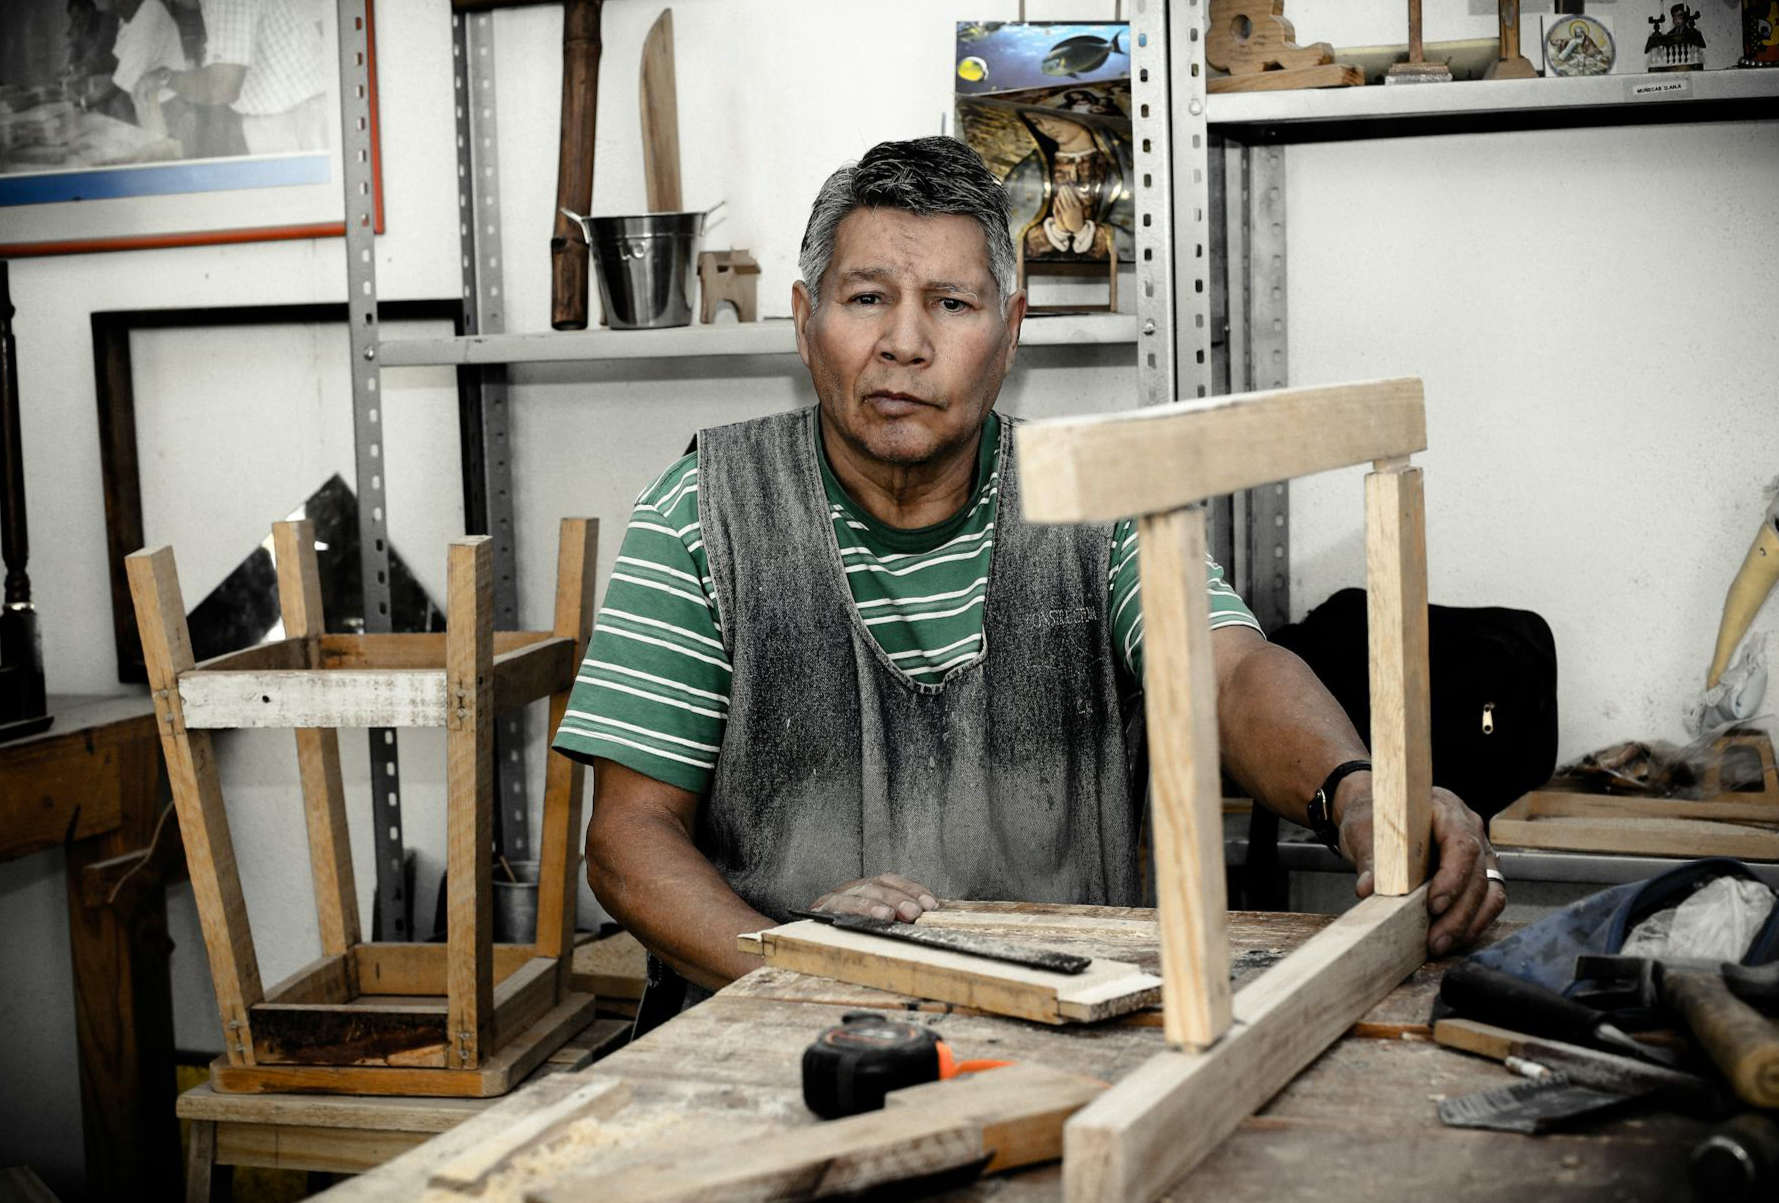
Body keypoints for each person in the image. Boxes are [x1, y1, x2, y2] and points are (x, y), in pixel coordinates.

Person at [551, 137, 1506, 1024]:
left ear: (1010, 331)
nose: (904, 343)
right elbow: (630, 840)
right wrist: (797, 965)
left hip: (1066, 1021)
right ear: (805, 323)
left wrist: (1355, 790)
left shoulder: (1094, 500)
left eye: (952, 305)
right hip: (769, 1028)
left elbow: (1223, 675)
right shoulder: (704, 510)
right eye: (866, 298)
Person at [156, 0, 327, 155]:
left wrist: (165, 79)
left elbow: (222, 87)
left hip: (294, 120)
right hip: (297, 113)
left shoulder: (225, 3)